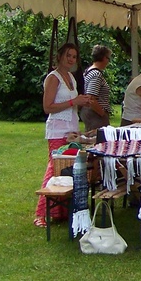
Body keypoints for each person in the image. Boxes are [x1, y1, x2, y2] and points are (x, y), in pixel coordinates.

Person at [35, 43, 94, 227]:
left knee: (69, 168)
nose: (71, 59)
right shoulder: (53, 78)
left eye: (74, 56)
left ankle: (60, 211)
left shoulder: (71, 77)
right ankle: (41, 213)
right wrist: (73, 101)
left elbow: (72, 103)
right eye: (68, 55)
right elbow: (48, 107)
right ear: (60, 56)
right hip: (57, 130)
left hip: (72, 128)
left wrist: (83, 102)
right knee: (54, 168)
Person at [81, 44, 112, 132]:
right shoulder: (96, 74)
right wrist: (102, 113)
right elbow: (91, 98)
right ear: (104, 58)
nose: (108, 61)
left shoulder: (88, 71)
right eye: (108, 58)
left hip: (91, 113)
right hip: (95, 115)